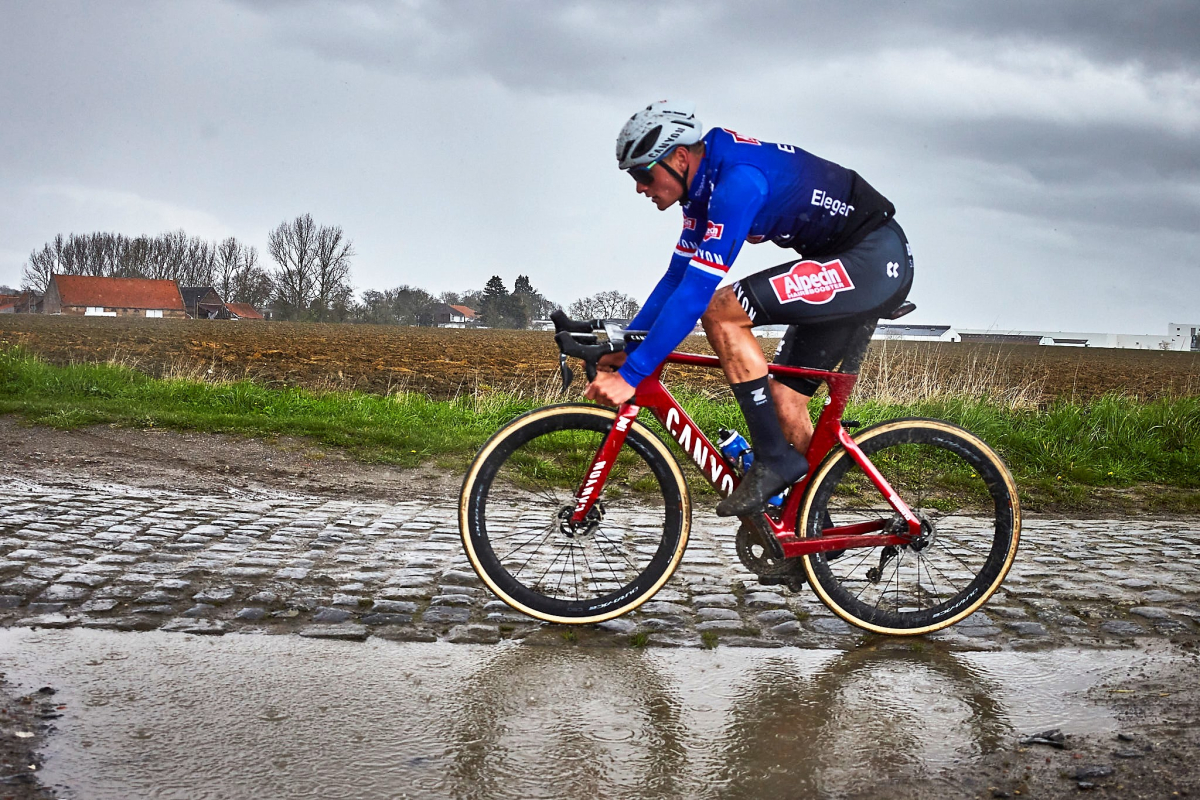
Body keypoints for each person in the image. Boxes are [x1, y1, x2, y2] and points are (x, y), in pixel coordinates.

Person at [584, 100, 914, 517]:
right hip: (840, 258)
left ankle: (773, 457)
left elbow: (697, 294)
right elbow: (675, 280)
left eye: (643, 174)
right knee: (784, 400)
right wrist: (631, 344)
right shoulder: (700, 192)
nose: (639, 187)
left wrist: (633, 374)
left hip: (870, 259)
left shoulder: (737, 183)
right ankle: (809, 526)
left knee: (723, 310)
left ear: (680, 158)